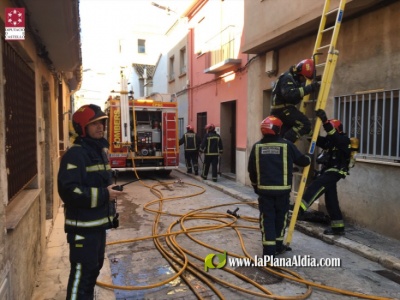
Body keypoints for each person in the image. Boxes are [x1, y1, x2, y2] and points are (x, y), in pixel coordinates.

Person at [58, 104, 126, 299]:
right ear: (82, 127)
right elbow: (69, 191)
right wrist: (105, 195)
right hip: (82, 229)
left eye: (102, 123)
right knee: (81, 276)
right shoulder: (76, 154)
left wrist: (109, 194)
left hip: (96, 227)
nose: (100, 127)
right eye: (94, 124)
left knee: (92, 271)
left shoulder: (97, 151)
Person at [248, 116, 311, 257]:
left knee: (267, 219)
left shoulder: (257, 147)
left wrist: (255, 186)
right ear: (277, 129)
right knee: (281, 218)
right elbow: (302, 161)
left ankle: (268, 252)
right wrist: (309, 157)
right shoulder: (286, 145)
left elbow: (251, 170)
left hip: (264, 191)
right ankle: (277, 246)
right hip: (282, 191)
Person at [298, 109, 351, 236]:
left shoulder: (343, 140)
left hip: (335, 171)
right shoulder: (331, 141)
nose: (328, 133)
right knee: (331, 200)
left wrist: (325, 122)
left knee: (316, 186)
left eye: (330, 130)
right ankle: (338, 227)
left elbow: (334, 137)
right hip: (328, 171)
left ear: (336, 130)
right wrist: (309, 132)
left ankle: (299, 209)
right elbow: (319, 140)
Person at [271, 58, 320, 143]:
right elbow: (290, 95)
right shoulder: (287, 78)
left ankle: (283, 146)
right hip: (283, 110)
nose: (304, 81)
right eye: (304, 79)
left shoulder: (292, 78)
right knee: (304, 124)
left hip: (282, 110)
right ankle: (285, 144)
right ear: (300, 74)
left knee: (286, 131)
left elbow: (295, 97)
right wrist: (310, 88)